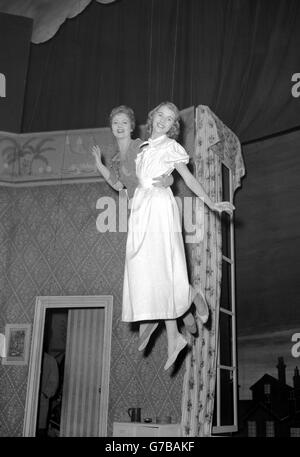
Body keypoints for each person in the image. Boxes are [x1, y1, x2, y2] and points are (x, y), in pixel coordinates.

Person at [122, 101, 234, 370]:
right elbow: (128, 177)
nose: (163, 119)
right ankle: (172, 335)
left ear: (173, 126)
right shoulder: (141, 147)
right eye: (160, 114)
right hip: (140, 209)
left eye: (170, 118)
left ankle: (186, 303)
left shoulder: (171, 147)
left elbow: (188, 178)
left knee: (162, 268)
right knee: (142, 268)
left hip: (160, 207)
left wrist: (210, 202)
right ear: (152, 117)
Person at [92, 105, 200, 343]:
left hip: (153, 208)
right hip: (139, 212)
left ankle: (187, 308)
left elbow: (163, 166)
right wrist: (100, 166)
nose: (119, 127)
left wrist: (170, 178)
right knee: (150, 268)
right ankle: (187, 306)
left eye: (123, 123)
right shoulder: (118, 159)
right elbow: (119, 186)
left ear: (132, 126)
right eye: (115, 123)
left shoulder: (139, 145)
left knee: (158, 267)